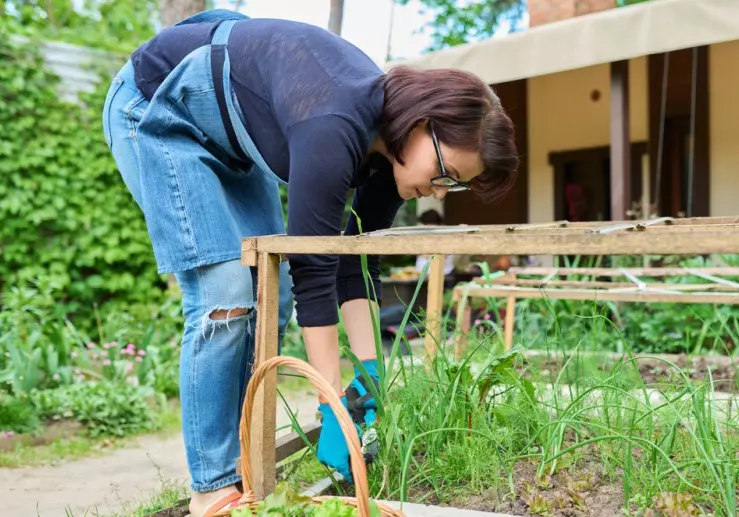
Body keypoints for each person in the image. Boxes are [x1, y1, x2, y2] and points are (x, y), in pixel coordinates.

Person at [101, 9, 518, 516]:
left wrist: (367, 377)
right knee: (226, 295)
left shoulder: (393, 155)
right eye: (445, 172)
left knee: (265, 294)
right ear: (424, 124)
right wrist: (332, 403)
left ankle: (241, 470)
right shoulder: (335, 123)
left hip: (233, 143)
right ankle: (212, 487)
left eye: (454, 184)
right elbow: (313, 267)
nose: (438, 190)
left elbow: (354, 265)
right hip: (158, 109)